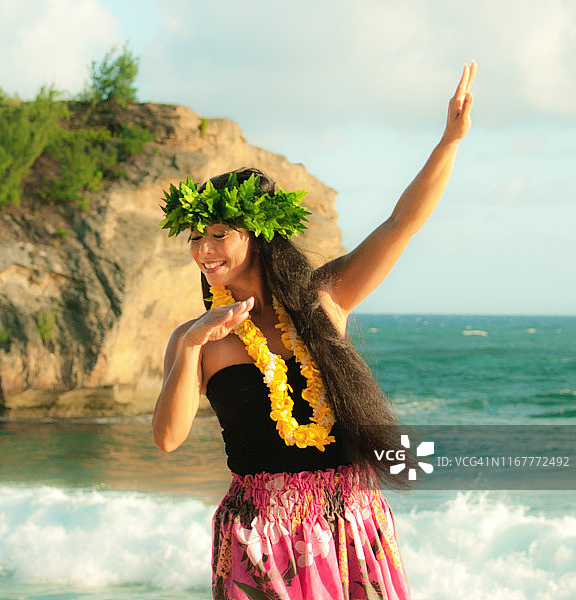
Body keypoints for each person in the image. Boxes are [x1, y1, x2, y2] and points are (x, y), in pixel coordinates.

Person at [152, 62, 477, 599]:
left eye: (218, 234)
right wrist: (191, 347)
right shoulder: (198, 340)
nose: (203, 249)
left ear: (257, 234)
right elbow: (166, 440)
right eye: (195, 237)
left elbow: (401, 224)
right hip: (259, 536)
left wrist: (450, 140)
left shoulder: (323, 303)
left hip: (348, 520)